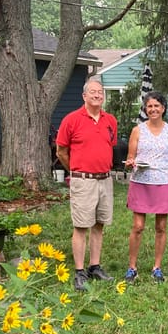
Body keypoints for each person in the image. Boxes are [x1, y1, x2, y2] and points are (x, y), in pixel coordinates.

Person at [56, 78, 117, 291]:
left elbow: (109, 146)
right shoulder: (71, 120)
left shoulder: (110, 120)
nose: (98, 95)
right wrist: (76, 169)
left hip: (105, 180)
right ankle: (80, 272)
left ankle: (95, 267)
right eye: (93, 92)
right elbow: (61, 151)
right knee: (81, 226)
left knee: (99, 225)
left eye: (100, 92)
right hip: (84, 181)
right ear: (84, 96)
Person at [123, 91, 168, 283]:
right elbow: (130, 158)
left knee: (161, 227)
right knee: (138, 226)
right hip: (141, 181)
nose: (153, 109)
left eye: (157, 106)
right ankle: (132, 267)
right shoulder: (138, 130)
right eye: (149, 106)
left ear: (163, 109)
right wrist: (130, 163)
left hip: (164, 182)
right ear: (145, 109)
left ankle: (157, 267)